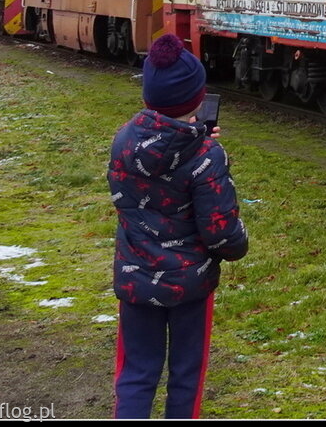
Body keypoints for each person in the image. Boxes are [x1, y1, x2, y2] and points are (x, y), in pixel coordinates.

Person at [109, 33, 248, 418]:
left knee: (136, 372)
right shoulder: (206, 154)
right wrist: (239, 244)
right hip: (190, 285)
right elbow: (222, 233)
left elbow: (156, 154)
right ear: (198, 100)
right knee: (187, 374)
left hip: (136, 278)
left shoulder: (123, 140)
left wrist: (193, 138)